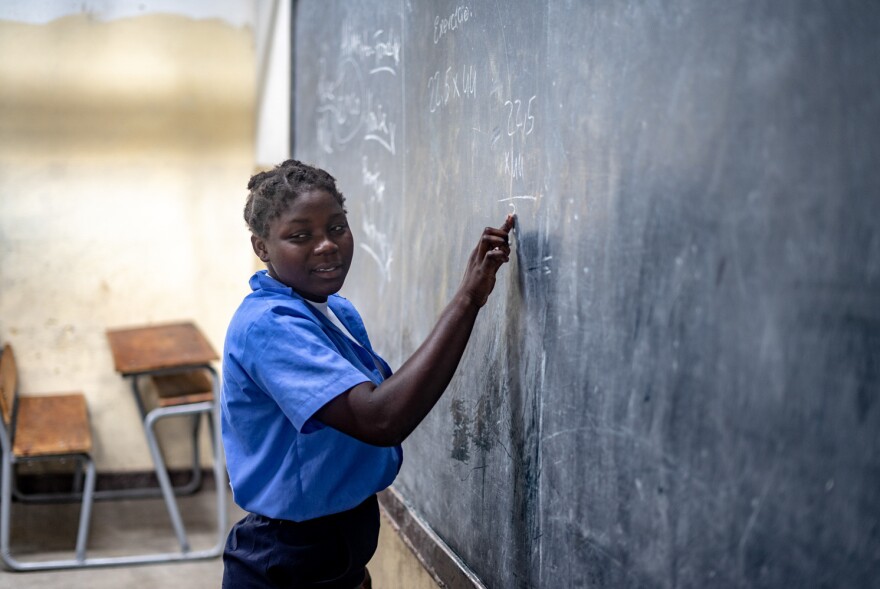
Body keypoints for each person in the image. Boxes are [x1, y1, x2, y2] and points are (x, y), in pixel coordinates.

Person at [220, 159, 513, 588]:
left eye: (337, 227)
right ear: (262, 248)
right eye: (300, 236)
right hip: (285, 561)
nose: (326, 246)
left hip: (338, 549)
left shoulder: (333, 310)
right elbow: (379, 418)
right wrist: (468, 299)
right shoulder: (270, 326)